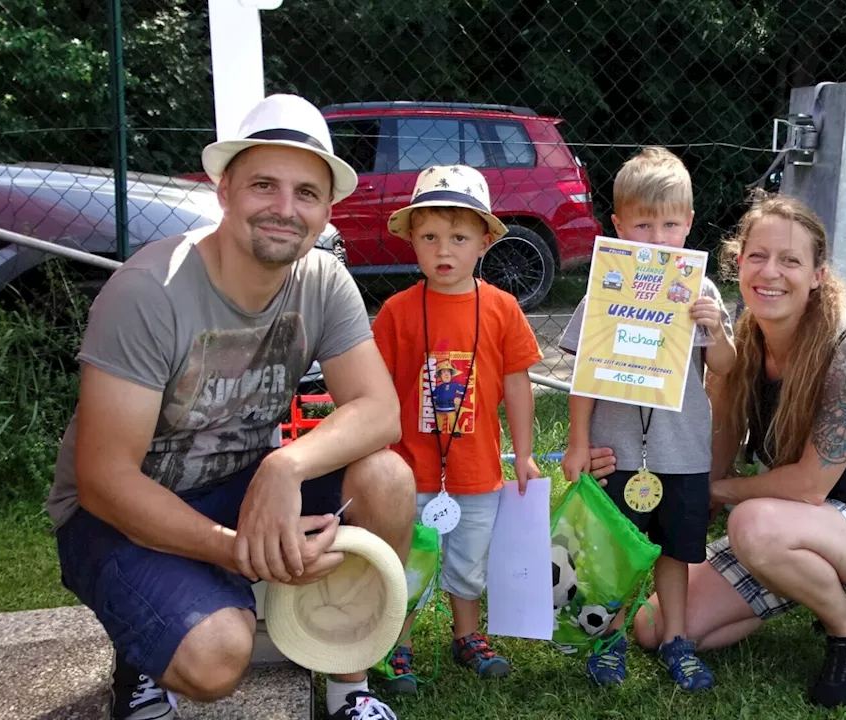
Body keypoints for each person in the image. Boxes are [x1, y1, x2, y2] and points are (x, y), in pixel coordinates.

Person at [45, 94, 416, 720]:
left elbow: (380, 412)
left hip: (238, 481)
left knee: (387, 479)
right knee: (215, 660)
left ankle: (349, 687)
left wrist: (284, 467)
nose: (284, 208)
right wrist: (236, 549)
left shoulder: (323, 280)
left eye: (306, 192)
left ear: (327, 209)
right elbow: (103, 480)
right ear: (224, 190)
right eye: (263, 185)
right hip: (112, 512)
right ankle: (141, 653)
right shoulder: (149, 292)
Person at [590, 192, 846, 708]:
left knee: (750, 524)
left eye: (790, 260)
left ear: (818, 273)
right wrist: (652, 474)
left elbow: (809, 485)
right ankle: (800, 585)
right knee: (653, 627)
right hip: (793, 525)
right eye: (757, 256)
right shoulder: (744, 335)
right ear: (738, 262)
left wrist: (713, 491)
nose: (770, 273)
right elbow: (720, 436)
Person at [559, 147, 736, 692]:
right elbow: (586, 375)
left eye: (670, 224)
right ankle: (609, 640)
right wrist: (578, 442)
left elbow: (727, 369)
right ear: (618, 226)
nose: (657, 238)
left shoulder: (701, 291)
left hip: (681, 452)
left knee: (677, 553)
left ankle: (676, 640)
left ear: (687, 223)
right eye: (643, 225)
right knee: (617, 550)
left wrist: (717, 329)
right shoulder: (604, 289)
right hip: (616, 449)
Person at [371, 164, 543, 694]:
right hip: (409, 471)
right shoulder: (398, 313)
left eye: (459, 237)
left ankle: (465, 634)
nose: (443, 250)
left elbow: (517, 385)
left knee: (469, 561)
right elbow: (374, 390)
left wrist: (526, 452)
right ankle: (395, 645)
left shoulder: (502, 309)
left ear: (485, 241)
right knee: (409, 559)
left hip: (477, 471)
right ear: (412, 242)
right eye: (429, 237)